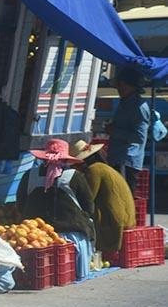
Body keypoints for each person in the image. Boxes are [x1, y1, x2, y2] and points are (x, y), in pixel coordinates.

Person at [17, 139, 95, 280]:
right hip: (70, 237)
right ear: (65, 159)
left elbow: (20, 204)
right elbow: (89, 207)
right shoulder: (75, 176)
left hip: (34, 236)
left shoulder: (29, 175)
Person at [70, 140, 136, 252]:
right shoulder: (104, 167)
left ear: (81, 162)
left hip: (115, 223)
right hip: (127, 220)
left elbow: (87, 199)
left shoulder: (94, 170)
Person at [106, 67, 150, 194]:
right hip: (117, 157)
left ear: (132, 86)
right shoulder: (124, 103)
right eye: (119, 85)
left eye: (123, 85)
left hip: (126, 159)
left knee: (123, 198)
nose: (119, 88)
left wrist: (114, 131)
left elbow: (139, 137)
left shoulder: (139, 107)